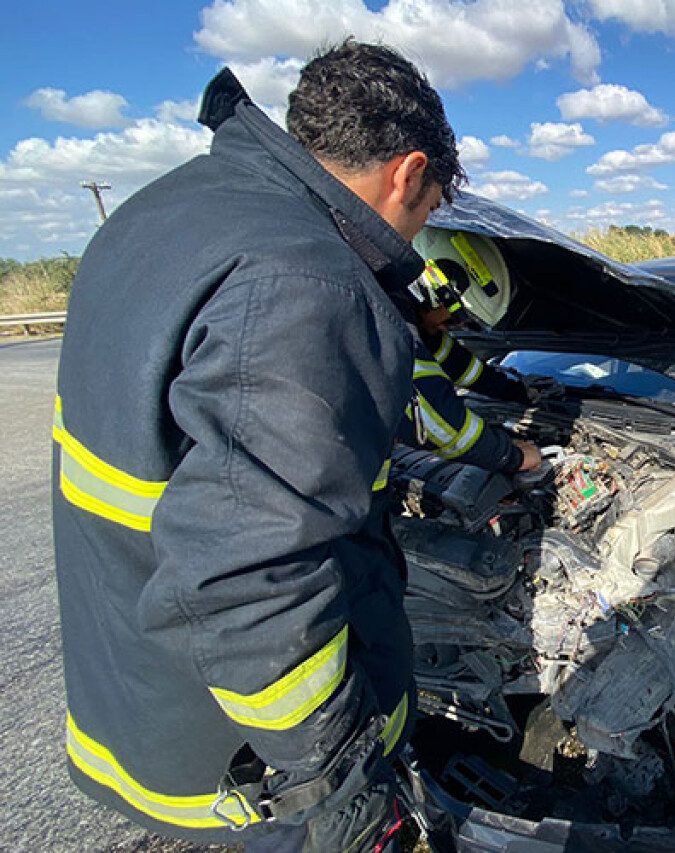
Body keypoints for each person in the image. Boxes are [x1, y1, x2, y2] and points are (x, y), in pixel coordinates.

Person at [51, 41, 463, 852]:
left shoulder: (167, 212)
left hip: (142, 688)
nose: (420, 231)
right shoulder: (309, 284)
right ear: (408, 172)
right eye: (430, 208)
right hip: (258, 761)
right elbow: (249, 584)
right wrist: (342, 785)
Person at [398, 237, 545, 474]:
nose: (449, 328)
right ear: (426, 293)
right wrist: (513, 456)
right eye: (450, 319)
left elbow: (467, 371)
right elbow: (440, 422)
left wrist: (520, 393)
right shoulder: (394, 329)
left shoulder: (424, 330)